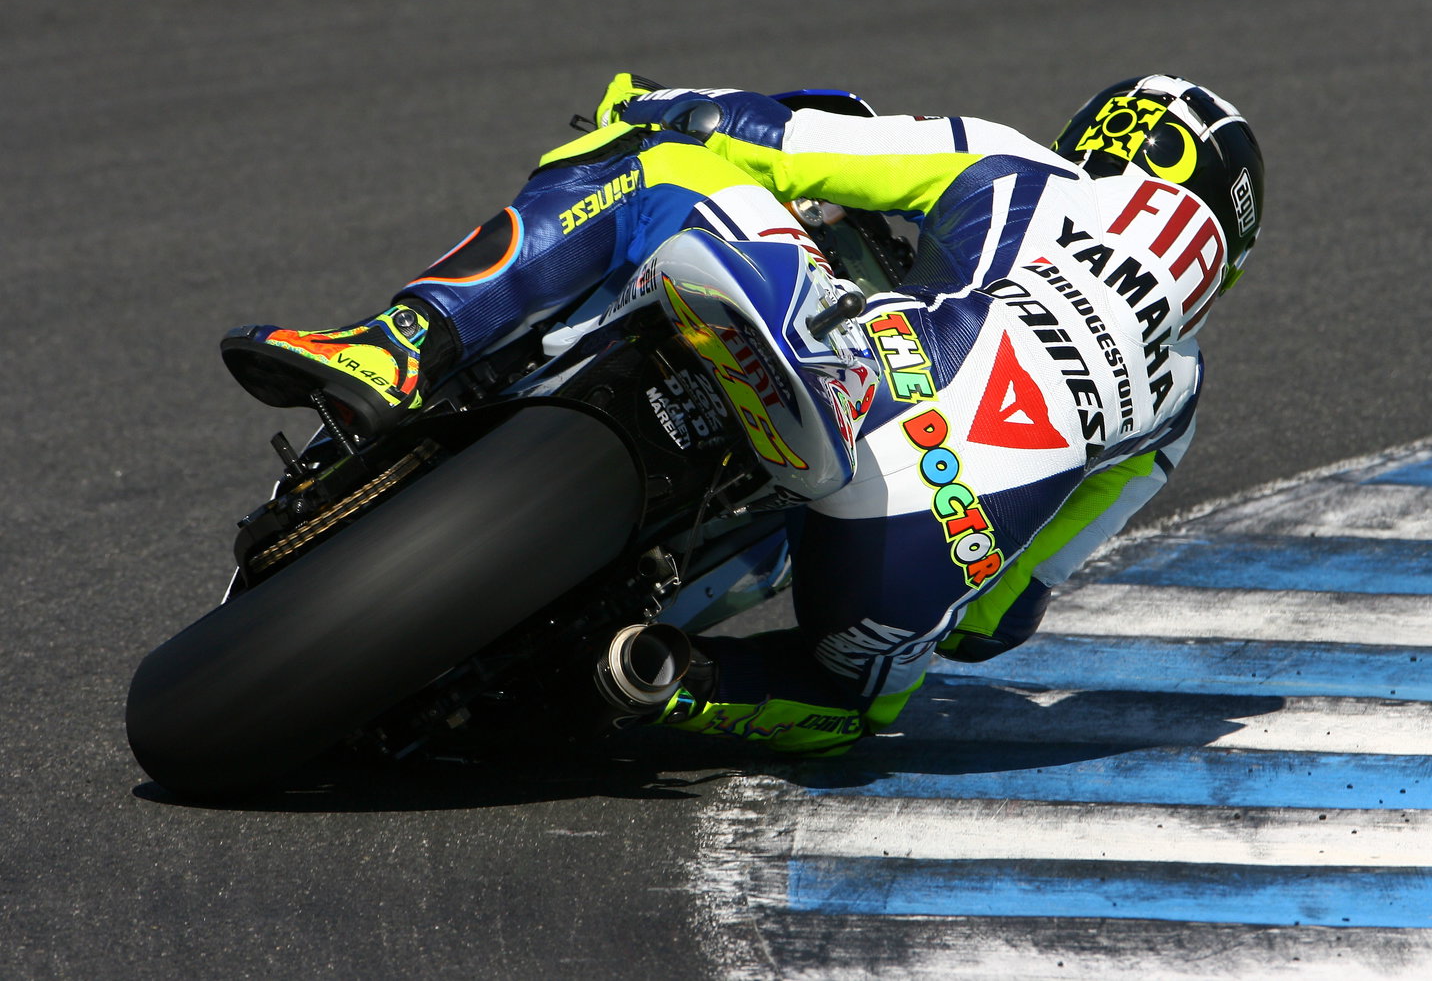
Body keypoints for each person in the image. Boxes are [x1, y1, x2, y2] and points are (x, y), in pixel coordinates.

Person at [221, 73, 1264, 757]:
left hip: (871, 372)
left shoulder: (1017, 165)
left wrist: (653, 100)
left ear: (1096, 137)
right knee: (856, 697)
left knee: (659, 173)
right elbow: (996, 626)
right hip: (914, 550)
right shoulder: (1177, 401)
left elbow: (771, 143)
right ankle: (653, 679)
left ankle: (397, 345)